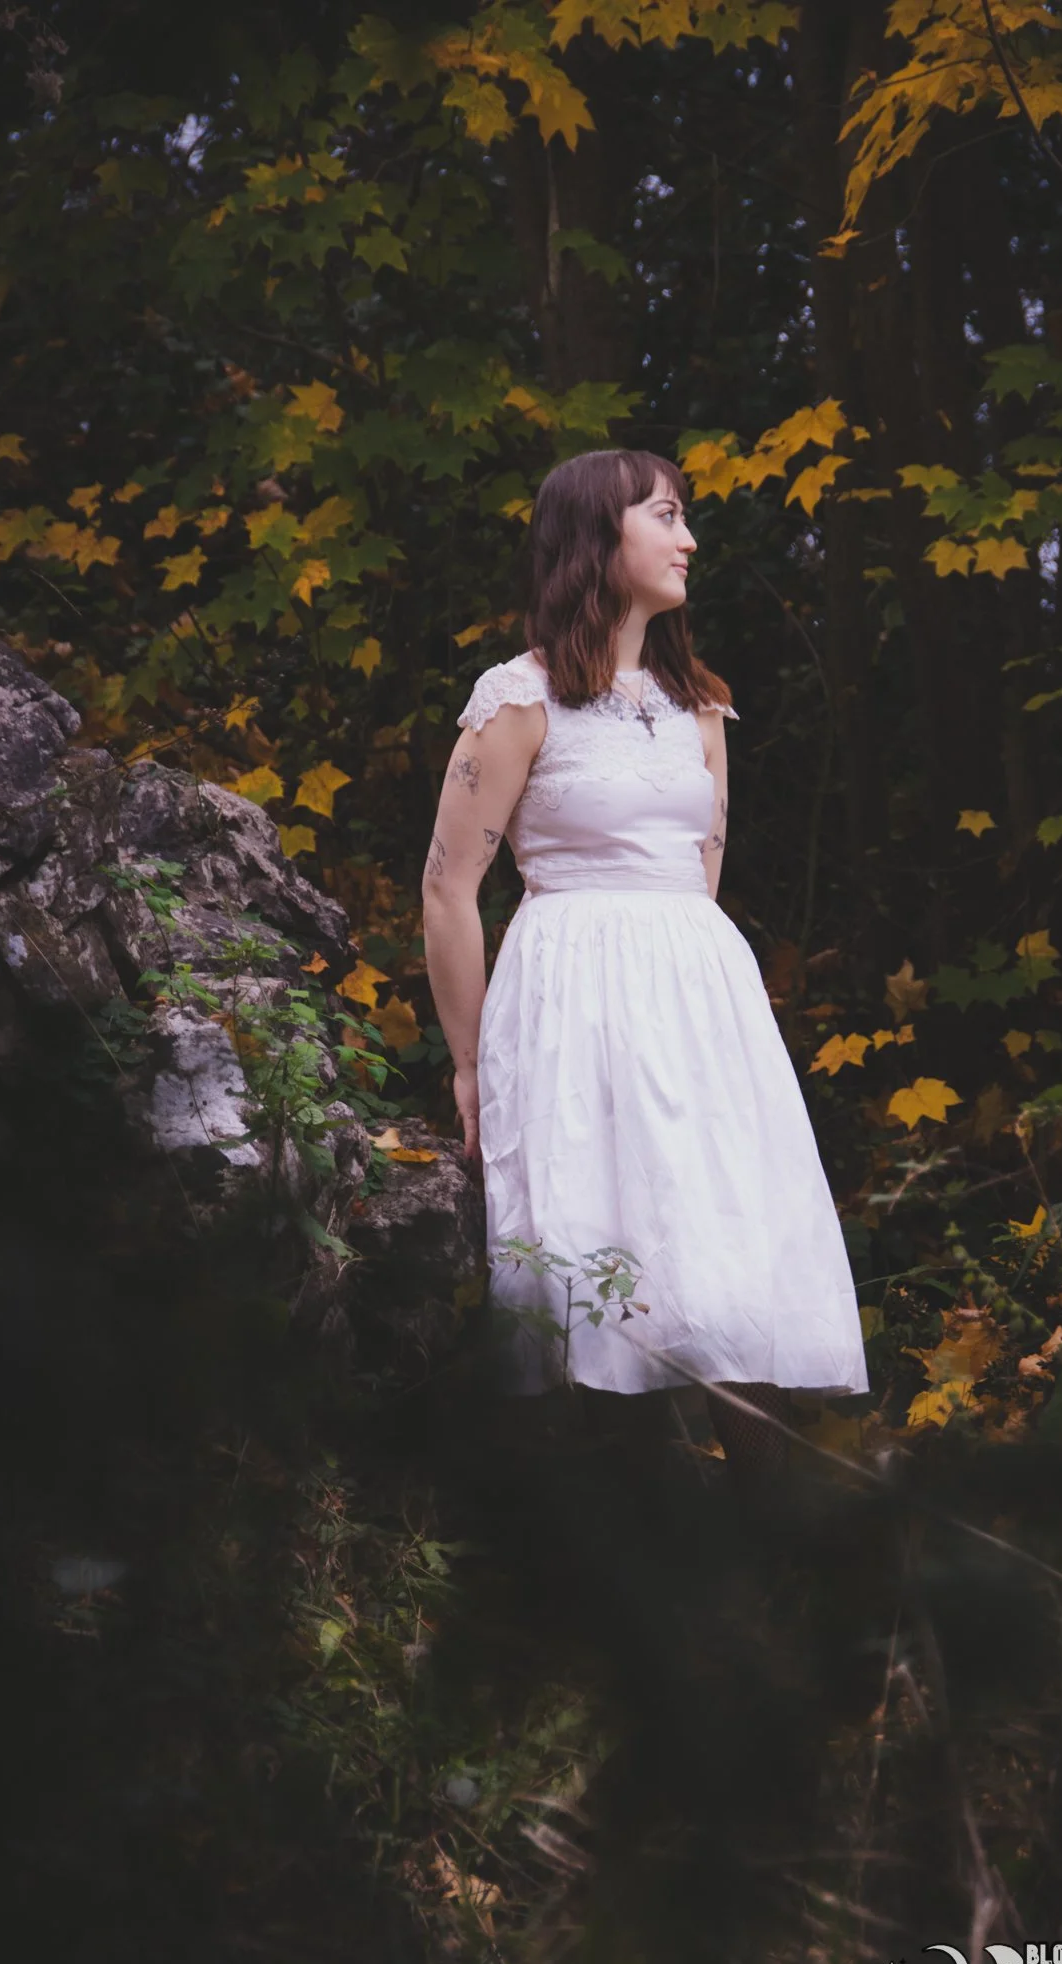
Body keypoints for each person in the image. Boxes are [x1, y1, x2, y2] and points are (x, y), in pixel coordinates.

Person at [421, 448, 867, 1481]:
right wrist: (470, 1060)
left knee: (718, 1248)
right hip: (571, 988)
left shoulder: (701, 704)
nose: (689, 539)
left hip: (698, 999)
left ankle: (783, 1538)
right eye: (666, 516)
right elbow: (448, 889)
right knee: (599, 1249)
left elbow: (699, 874)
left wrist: (688, 1007)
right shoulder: (518, 698)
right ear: (596, 538)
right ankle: (626, 1542)